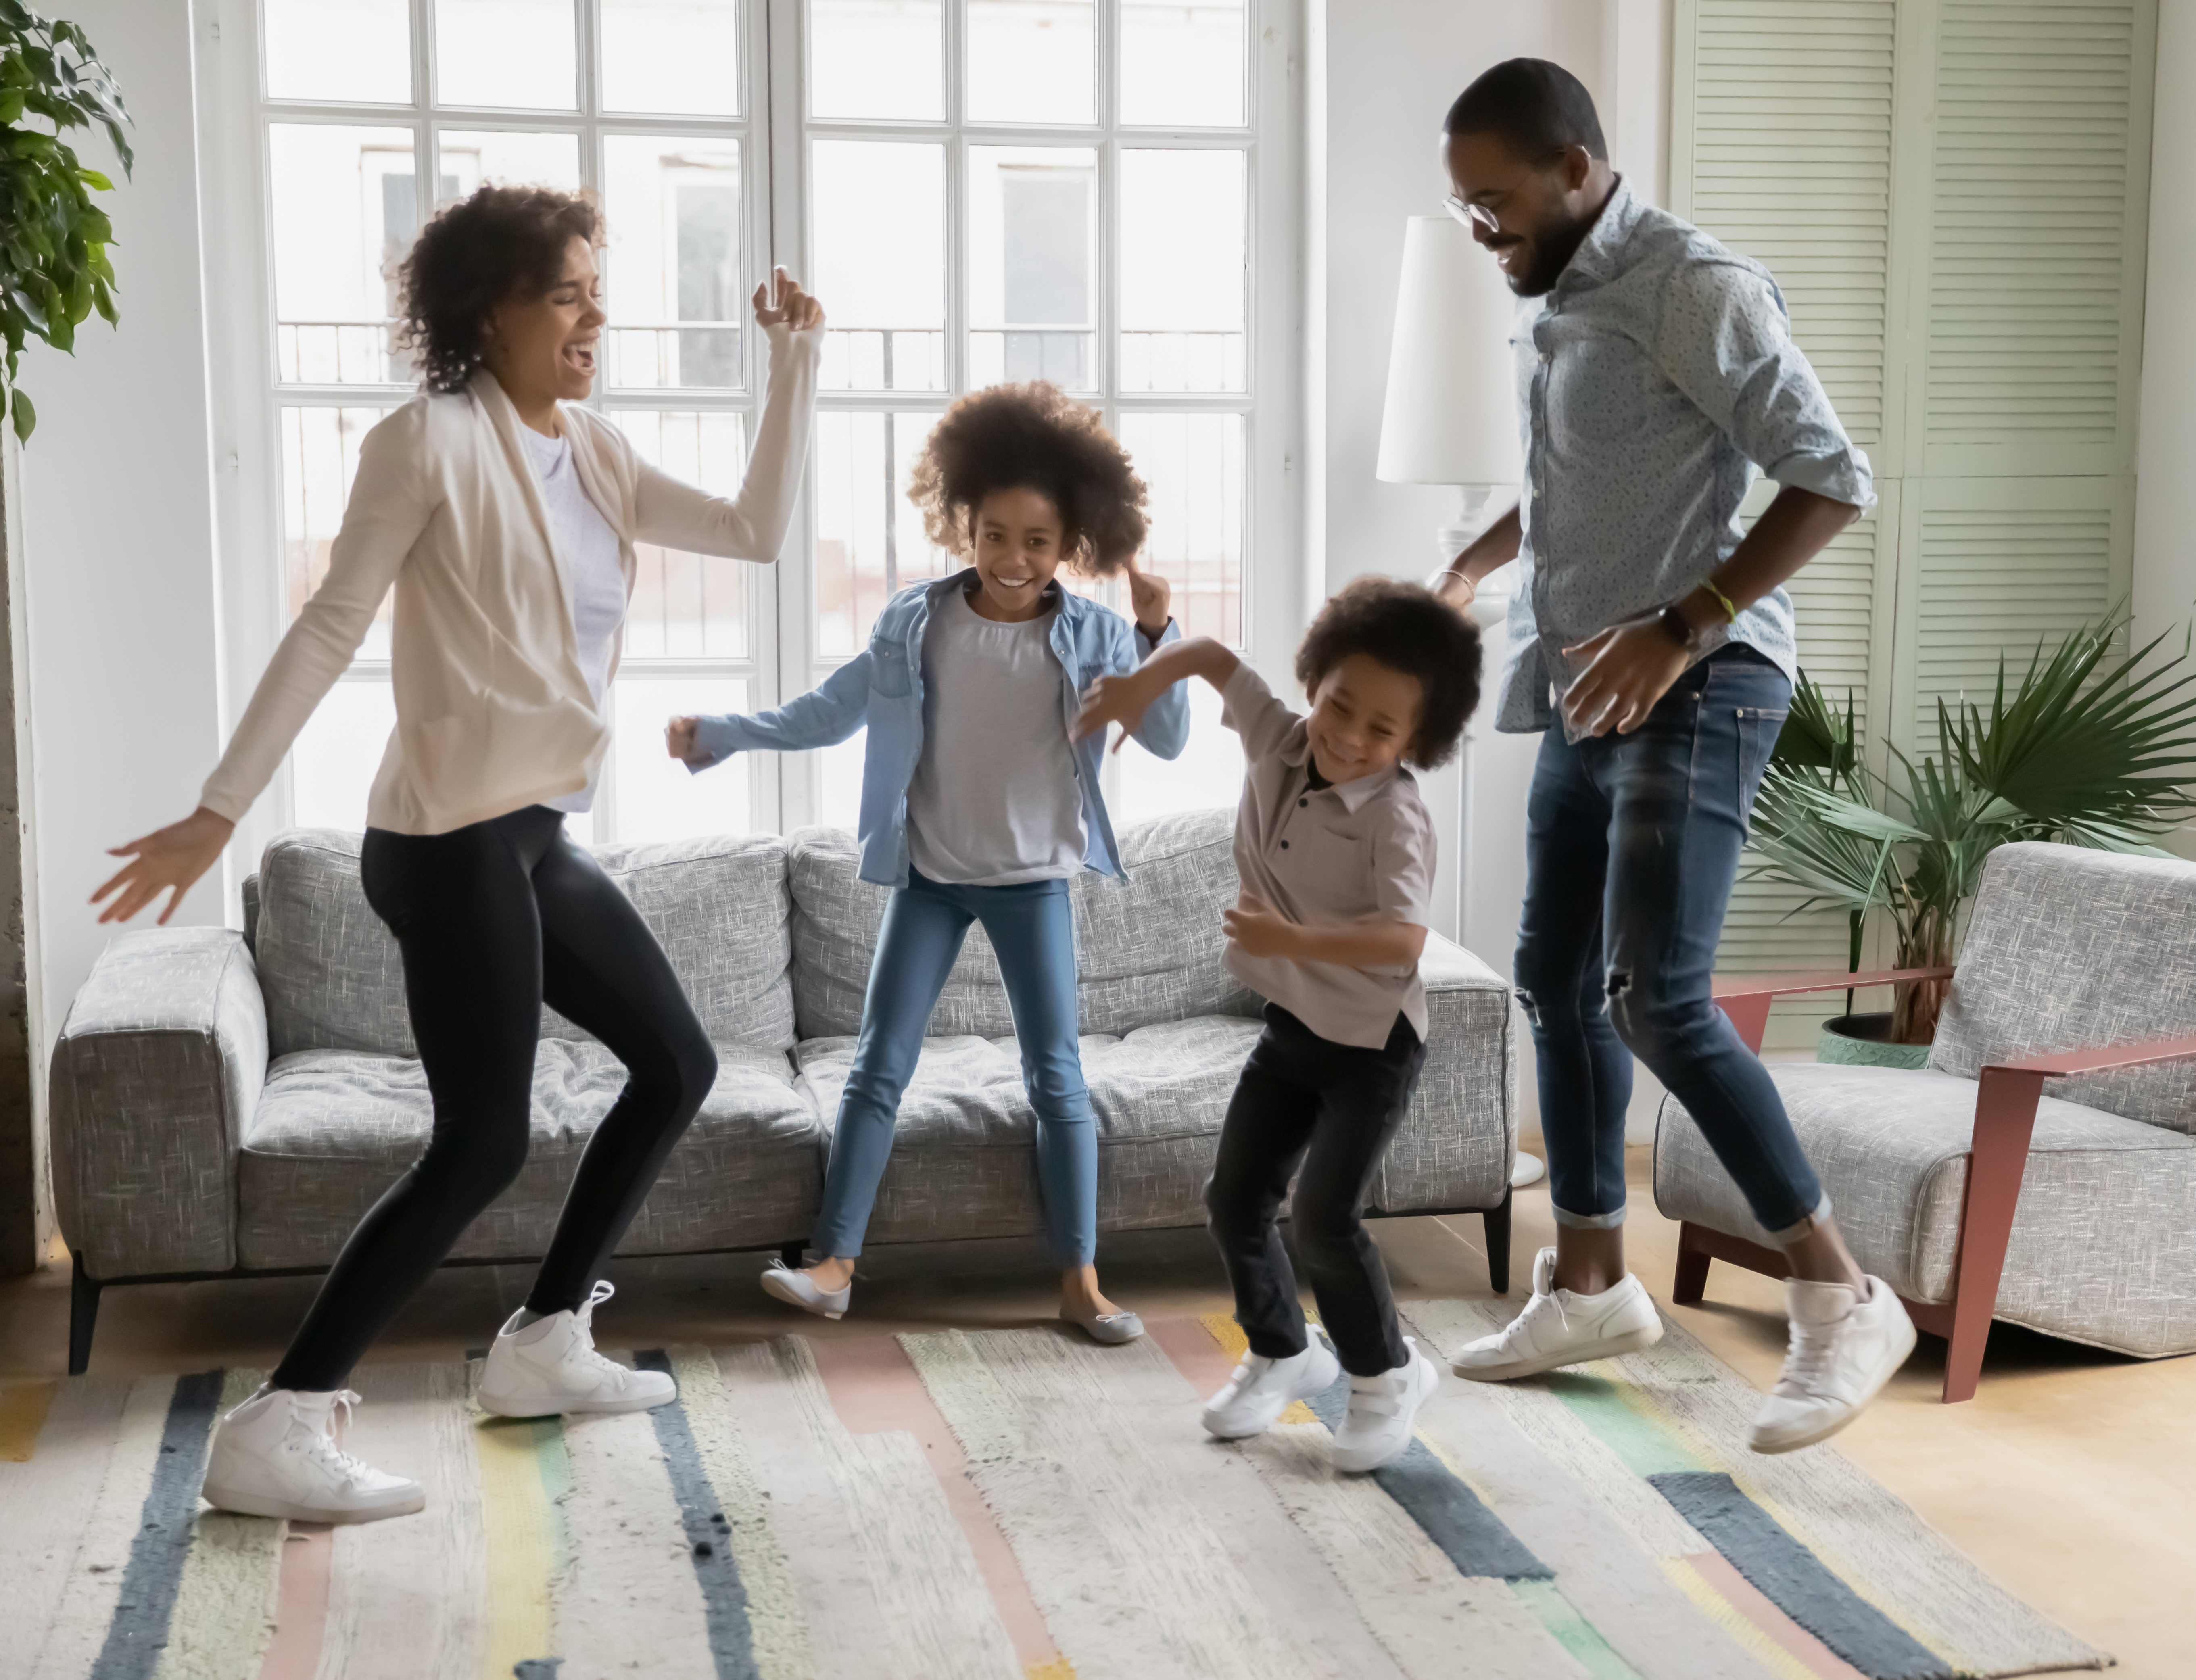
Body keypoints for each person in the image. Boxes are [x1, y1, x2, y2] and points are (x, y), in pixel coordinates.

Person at [91, 186, 824, 1522]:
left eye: (596, 290)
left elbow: (754, 531)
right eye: (567, 293)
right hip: (443, 842)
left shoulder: (589, 449)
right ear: (487, 311)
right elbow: (328, 625)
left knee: (676, 1063)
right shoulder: (423, 441)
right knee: (480, 1140)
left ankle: (543, 1342)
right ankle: (280, 1419)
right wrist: (218, 804)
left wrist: (795, 365)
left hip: (530, 836)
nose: (594, 314)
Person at [1427, 60, 1912, 1454]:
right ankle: (1587, 1282)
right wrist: (1475, 555)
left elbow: (1829, 472)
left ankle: (1837, 1293)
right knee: (1552, 979)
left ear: (1576, 168)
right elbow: (1590, 473)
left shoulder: (1693, 285)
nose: (1480, 229)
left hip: (1700, 684)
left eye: (1496, 202)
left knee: (1654, 994)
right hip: (1587, 684)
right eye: (1466, 206)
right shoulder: (1570, 298)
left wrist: (1683, 623)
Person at [667, 382, 1187, 1343]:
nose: (1015, 557)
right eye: (996, 534)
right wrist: (721, 734)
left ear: (1071, 542)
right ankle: (833, 1263)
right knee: (875, 1069)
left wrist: (1160, 635)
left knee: (1057, 1080)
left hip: (1034, 884)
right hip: (933, 880)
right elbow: (825, 712)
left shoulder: (1099, 635)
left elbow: (1169, 738)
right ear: (964, 527)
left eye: (1038, 539)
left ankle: (1079, 1279)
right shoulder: (917, 624)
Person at [1073, 578, 1484, 1472]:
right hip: (1293, 1025)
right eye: (1339, 704)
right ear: (1315, 681)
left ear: (1416, 742)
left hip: (1372, 1046)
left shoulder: (1396, 820)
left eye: (1381, 729)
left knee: (1327, 1217)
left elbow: (1403, 943)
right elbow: (1215, 659)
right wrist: (1146, 682)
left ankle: (1385, 1378)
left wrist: (1289, 937)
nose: (1347, 735)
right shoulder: (1280, 736)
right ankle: (1284, 1352)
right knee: (1233, 1200)